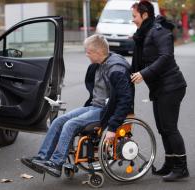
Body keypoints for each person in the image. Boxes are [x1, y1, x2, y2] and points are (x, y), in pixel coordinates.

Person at [21, 34, 134, 178]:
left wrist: (112, 127)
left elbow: (125, 100)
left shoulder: (116, 69)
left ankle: (56, 163)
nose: (86, 54)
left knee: (70, 124)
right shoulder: (99, 64)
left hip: (106, 111)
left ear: (98, 52)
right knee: (59, 121)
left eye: (88, 51)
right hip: (95, 106)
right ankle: (42, 158)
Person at [131, 0, 188, 182]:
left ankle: (181, 167)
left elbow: (166, 56)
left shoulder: (159, 31)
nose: (132, 20)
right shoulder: (144, 33)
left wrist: (144, 73)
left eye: (134, 16)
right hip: (160, 87)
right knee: (163, 129)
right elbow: (141, 61)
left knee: (170, 128)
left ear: (145, 14)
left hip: (171, 86)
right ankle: (170, 164)